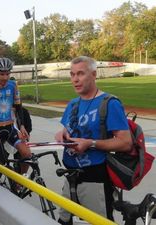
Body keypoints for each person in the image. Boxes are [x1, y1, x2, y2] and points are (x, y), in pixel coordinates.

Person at [55, 56, 132, 224]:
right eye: (72, 74)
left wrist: (91, 143)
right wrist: (62, 134)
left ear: (94, 74)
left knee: (98, 222)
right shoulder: (73, 104)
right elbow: (68, 128)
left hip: (95, 177)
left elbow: (126, 142)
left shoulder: (110, 103)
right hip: (70, 177)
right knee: (63, 221)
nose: (75, 79)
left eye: (80, 74)